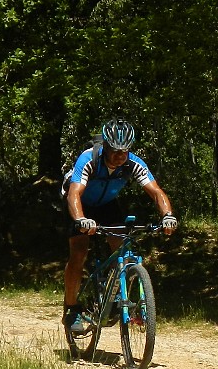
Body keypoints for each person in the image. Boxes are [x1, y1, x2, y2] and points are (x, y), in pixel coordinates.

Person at [63, 119, 177, 333]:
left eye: (124, 151)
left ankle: (114, 293)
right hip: (79, 204)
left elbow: (156, 192)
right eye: (115, 151)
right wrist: (80, 219)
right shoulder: (88, 159)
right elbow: (74, 193)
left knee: (121, 245)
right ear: (105, 146)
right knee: (78, 252)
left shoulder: (133, 163)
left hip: (107, 205)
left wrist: (168, 216)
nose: (120, 156)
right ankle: (72, 308)